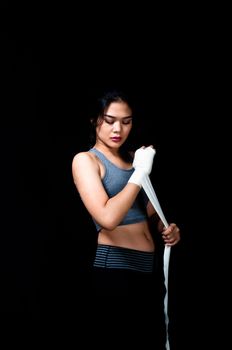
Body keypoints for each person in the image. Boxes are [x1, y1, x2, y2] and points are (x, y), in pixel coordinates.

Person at [72, 89, 181, 349]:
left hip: (147, 268)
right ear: (94, 120)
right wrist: (139, 172)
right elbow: (108, 217)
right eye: (109, 121)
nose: (118, 129)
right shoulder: (86, 160)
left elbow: (150, 211)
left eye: (126, 121)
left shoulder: (134, 159)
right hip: (115, 270)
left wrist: (168, 228)